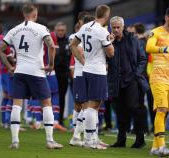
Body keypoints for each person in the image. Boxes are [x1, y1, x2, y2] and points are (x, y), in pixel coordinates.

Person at [0, 3, 63, 149]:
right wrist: (51, 65)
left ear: (23, 14)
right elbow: (51, 45)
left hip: (19, 71)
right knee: (46, 103)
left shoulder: (14, 29)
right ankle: (50, 141)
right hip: (37, 71)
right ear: (35, 14)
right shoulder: (41, 28)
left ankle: (14, 141)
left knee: (16, 104)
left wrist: (9, 67)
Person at [70, 4, 114, 150]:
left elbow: (73, 44)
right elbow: (110, 53)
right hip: (97, 71)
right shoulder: (102, 31)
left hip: (87, 69)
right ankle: (89, 140)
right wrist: (110, 40)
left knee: (91, 105)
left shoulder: (86, 26)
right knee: (93, 106)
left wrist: (83, 60)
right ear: (107, 16)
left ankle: (92, 138)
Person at [146, 7, 169, 156]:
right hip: (158, 78)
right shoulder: (156, 32)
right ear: (166, 17)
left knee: (166, 113)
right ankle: (162, 146)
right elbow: (149, 47)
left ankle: (155, 147)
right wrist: (164, 49)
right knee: (161, 110)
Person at [108, 16, 147, 148]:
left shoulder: (133, 39)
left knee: (135, 109)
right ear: (110, 28)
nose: (116, 29)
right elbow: (104, 58)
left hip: (132, 80)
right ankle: (121, 140)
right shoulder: (108, 41)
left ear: (123, 27)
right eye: (114, 27)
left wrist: (136, 74)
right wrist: (109, 43)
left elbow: (142, 59)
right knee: (120, 111)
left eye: (119, 27)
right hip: (116, 81)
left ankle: (140, 139)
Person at [69, 12, 95, 146]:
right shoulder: (74, 37)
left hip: (87, 73)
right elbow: (79, 53)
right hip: (80, 74)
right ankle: (78, 135)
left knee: (87, 106)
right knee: (82, 105)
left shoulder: (89, 35)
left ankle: (84, 135)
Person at [54, 21, 72, 126]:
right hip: (53, 73)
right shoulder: (51, 41)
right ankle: (50, 119)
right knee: (50, 97)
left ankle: (60, 120)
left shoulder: (69, 41)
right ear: (55, 30)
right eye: (59, 30)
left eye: (62, 30)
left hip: (64, 74)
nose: (60, 32)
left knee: (61, 97)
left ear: (65, 31)